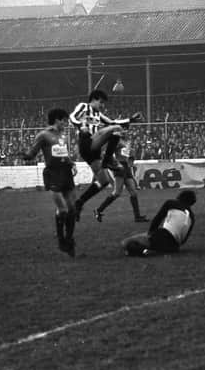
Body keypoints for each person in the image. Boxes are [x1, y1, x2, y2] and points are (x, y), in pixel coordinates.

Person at [69, 89, 143, 221]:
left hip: (94, 150)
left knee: (103, 181)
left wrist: (131, 119)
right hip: (87, 142)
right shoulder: (84, 106)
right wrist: (81, 126)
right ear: (94, 99)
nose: (102, 106)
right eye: (101, 102)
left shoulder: (98, 114)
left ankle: (79, 203)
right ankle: (108, 159)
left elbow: (112, 122)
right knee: (116, 130)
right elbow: (72, 116)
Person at [21, 108, 78, 256]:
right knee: (63, 209)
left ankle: (69, 239)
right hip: (53, 173)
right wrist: (25, 155)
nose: (65, 123)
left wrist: (71, 163)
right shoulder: (43, 135)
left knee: (72, 209)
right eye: (64, 120)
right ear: (56, 120)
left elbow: (63, 152)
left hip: (66, 172)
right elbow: (33, 153)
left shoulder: (62, 135)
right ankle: (61, 240)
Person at [93, 131, 149, 223]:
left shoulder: (126, 142)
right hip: (119, 166)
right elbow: (106, 153)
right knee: (117, 192)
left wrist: (131, 160)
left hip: (126, 167)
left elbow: (128, 154)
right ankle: (98, 210)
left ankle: (137, 217)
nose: (126, 132)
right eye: (124, 130)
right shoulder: (117, 141)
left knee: (133, 192)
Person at [121, 189, 196, 257]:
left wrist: (150, 233)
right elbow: (184, 239)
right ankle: (153, 250)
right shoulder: (192, 217)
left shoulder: (171, 203)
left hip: (162, 236)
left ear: (179, 197)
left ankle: (144, 251)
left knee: (126, 243)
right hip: (174, 246)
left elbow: (157, 219)